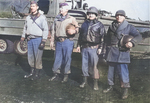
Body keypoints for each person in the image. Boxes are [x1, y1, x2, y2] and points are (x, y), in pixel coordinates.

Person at [103, 10, 142, 99]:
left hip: (123, 52)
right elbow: (107, 39)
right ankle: (110, 86)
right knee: (110, 71)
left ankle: (125, 90)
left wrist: (132, 43)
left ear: (124, 17)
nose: (119, 17)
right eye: (117, 15)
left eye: (121, 15)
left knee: (123, 72)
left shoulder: (129, 27)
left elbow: (138, 36)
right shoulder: (111, 26)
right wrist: (105, 50)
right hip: (112, 51)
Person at [76, 7, 106, 90]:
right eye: (89, 14)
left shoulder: (100, 25)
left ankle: (95, 82)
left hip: (94, 48)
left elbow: (103, 38)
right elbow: (80, 36)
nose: (91, 15)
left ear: (96, 15)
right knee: (84, 65)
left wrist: (100, 48)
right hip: (84, 48)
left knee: (94, 66)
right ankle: (84, 81)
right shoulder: (84, 23)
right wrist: (78, 45)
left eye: (93, 14)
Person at [49, 3, 79, 83]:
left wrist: (74, 31)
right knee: (57, 58)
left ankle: (65, 75)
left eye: (62, 8)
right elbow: (53, 30)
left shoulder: (71, 18)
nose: (60, 10)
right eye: (60, 8)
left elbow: (77, 27)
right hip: (58, 41)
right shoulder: (57, 18)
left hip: (68, 41)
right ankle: (56, 74)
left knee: (67, 58)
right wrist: (52, 41)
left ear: (67, 9)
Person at [20, 1, 48, 80]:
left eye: (34, 6)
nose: (32, 7)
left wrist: (43, 41)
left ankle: (37, 74)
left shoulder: (42, 17)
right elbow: (25, 28)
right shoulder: (28, 17)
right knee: (30, 57)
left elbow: (45, 30)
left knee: (38, 57)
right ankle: (31, 72)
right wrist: (22, 38)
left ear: (37, 7)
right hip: (29, 39)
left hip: (38, 39)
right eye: (31, 6)